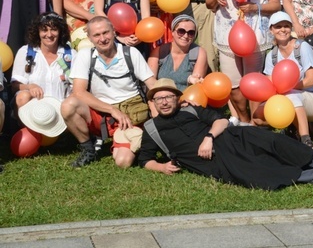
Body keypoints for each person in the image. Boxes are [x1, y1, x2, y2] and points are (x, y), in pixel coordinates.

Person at [137, 79, 313, 188]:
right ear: (153, 102)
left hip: (228, 137)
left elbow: (221, 120)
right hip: (212, 162)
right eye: (159, 98)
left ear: (177, 98)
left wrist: (209, 137)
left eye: (168, 97)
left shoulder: (191, 110)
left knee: (271, 140)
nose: (164, 102)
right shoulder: (151, 129)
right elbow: (144, 159)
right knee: (255, 171)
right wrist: (161, 166)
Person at [60, 16, 157, 168]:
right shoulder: (85, 55)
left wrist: (173, 100)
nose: (102, 39)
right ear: (90, 38)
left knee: (123, 162)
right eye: (97, 35)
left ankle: (135, 139)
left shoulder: (131, 53)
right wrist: (112, 110)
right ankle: (88, 149)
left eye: (106, 33)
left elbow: (152, 84)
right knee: (68, 105)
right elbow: (79, 92)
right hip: (101, 112)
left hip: (130, 114)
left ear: (114, 32)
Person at [206, 0, 280, 125]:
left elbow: (276, 4)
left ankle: (256, 122)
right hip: (226, 35)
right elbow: (208, 2)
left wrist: (255, 6)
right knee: (232, 84)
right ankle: (245, 121)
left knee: (253, 82)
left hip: (255, 35)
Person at [263, 12, 313, 147]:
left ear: (291, 28)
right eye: (278, 26)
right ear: (271, 30)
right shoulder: (271, 56)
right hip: (292, 98)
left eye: (286, 26)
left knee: (290, 95)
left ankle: (306, 140)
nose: (282, 30)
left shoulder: (302, 47)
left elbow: (310, 80)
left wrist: (287, 87)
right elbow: (270, 84)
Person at [11, 12, 74, 110]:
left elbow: (78, 88)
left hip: (62, 109)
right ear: (38, 32)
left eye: (54, 30)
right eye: (44, 30)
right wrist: (30, 87)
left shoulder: (71, 54)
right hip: (33, 110)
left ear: (60, 31)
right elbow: (14, 86)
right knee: (22, 97)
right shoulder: (25, 52)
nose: (49, 35)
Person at [147, 15, 208, 92]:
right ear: (172, 32)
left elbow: (195, 86)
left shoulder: (199, 53)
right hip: (163, 99)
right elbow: (150, 83)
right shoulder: (159, 52)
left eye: (191, 33)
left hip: (187, 99)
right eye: (181, 31)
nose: (186, 36)